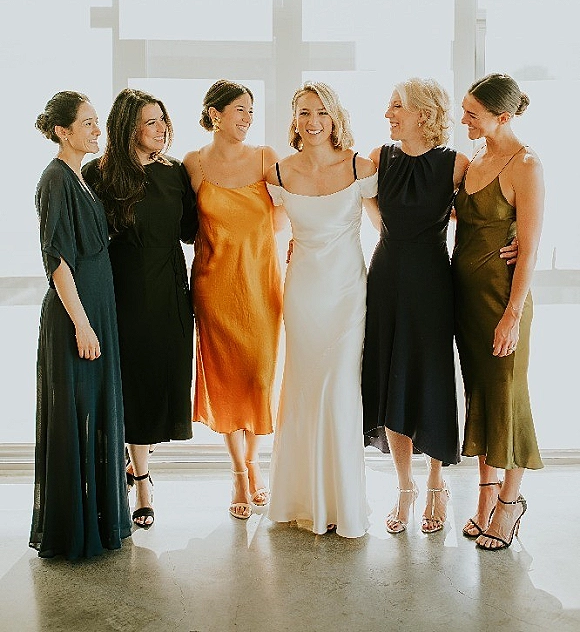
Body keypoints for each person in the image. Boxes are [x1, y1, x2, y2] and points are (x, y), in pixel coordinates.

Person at [266, 82, 377, 538]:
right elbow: (267, 231)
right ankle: (300, 500)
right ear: (294, 119)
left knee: (341, 390)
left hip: (347, 293)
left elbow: (392, 226)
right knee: (303, 388)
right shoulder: (278, 172)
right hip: (303, 294)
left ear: (335, 117)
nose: (313, 122)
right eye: (304, 112)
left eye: (322, 113)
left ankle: (342, 504)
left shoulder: (359, 166)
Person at [84, 88, 198, 529]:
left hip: (169, 289)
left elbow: (191, 230)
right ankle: (137, 480)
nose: (161, 128)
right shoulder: (99, 174)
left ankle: (140, 470)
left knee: (157, 382)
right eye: (151, 121)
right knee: (126, 385)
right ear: (128, 127)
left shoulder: (174, 172)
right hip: (120, 290)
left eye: (162, 119)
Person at [361, 78, 469, 535]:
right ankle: (404, 486)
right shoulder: (378, 158)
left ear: (423, 114)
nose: (388, 113)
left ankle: (436, 483)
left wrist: (516, 243)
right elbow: (364, 204)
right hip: (386, 277)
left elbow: (479, 220)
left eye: (396, 106)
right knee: (392, 378)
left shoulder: (457, 164)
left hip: (431, 283)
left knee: (430, 377)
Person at [31, 91, 131, 560]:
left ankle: (94, 519)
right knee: (74, 418)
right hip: (76, 316)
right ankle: (72, 530)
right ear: (63, 131)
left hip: (94, 311)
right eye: (87, 123)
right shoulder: (55, 179)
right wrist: (83, 325)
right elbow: (58, 260)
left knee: (93, 413)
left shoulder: (79, 177)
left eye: (96, 121)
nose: (97, 130)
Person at [183, 80, 283, 520]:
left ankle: (254, 460)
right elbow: (184, 222)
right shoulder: (193, 163)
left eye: (251, 111)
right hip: (214, 286)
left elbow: (285, 212)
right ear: (215, 114)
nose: (247, 118)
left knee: (258, 377)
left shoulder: (265, 158)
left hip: (260, 284)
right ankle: (239, 473)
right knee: (225, 380)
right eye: (240, 109)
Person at [452, 73, 544, 551]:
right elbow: (461, 218)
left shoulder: (525, 164)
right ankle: (486, 495)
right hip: (465, 302)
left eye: (473, 113)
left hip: (502, 301)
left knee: (507, 396)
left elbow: (528, 250)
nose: (463, 119)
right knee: (480, 397)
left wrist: (512, 315)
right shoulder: (473, 160)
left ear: (502, 117)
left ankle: (510, 504)